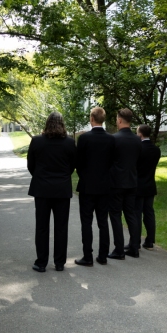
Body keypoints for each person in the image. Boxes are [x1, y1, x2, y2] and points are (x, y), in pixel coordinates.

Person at [27, 112, 77, 272]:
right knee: (61, 227)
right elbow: (72, 166)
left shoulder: (36, 141)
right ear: (62, 124)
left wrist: (41, 176)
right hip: (62, 188)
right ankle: (60, 262)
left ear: (47, 123)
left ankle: (41, 262)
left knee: (42, 226)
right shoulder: (69, 143)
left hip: (42, 189)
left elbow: (31, 165)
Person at [74, 106, 116, 267]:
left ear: (92, 118)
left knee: (86, 222)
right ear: (103, 119)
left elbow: (79, 162)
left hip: (87, 186)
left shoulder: (84, 139)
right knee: (103, 222)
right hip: (105, 186)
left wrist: (84, 176)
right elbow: (113, 162)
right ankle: (103, 255)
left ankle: (87, 256)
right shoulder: (111, 139)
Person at [107, 108, 142, 259]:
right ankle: (134, 247)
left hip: (116, 182)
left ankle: (119, 249)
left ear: (120, 120)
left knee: (115, 215)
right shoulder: (137, 140)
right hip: (132, 181)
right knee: (131, 214)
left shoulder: (114, 139)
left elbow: (109, 161)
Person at [132, 124, 161, 250]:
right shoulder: (156, 150)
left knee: (137, 214)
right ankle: (150, 241)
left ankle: (136, 241)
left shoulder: (138, 149)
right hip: (150, 184)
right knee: (149, 213)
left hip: (138, 185)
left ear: (140, 134)